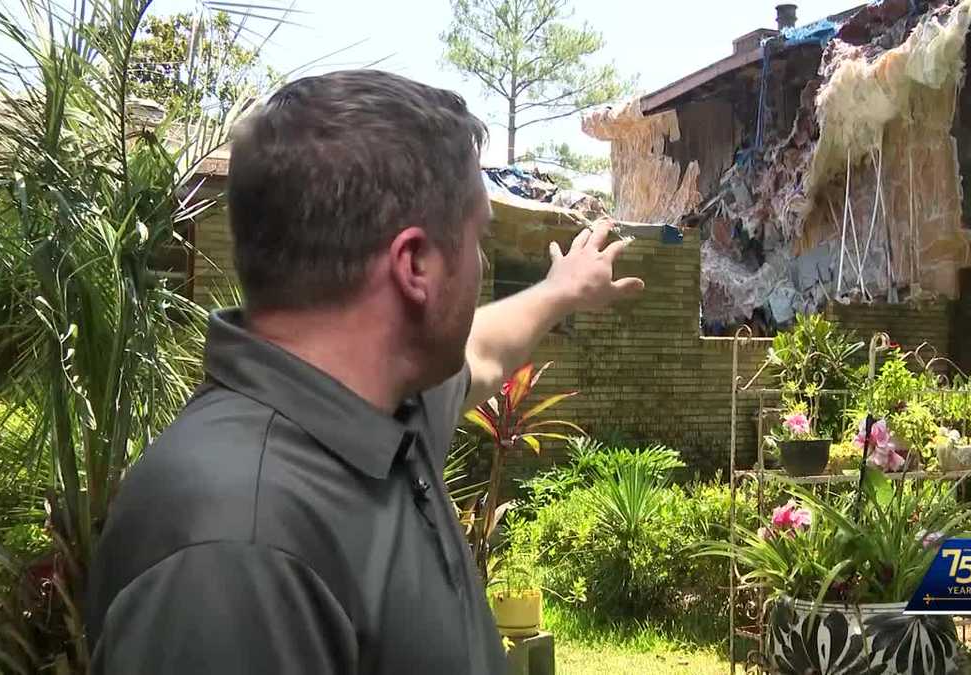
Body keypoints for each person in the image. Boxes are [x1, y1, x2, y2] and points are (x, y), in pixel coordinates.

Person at [85, 69, 643, 675]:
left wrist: (563, 291)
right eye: (477, 237)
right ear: (416, 266)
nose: (481, 263)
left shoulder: (376, 410)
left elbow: (481, 349)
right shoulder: (235, 553)